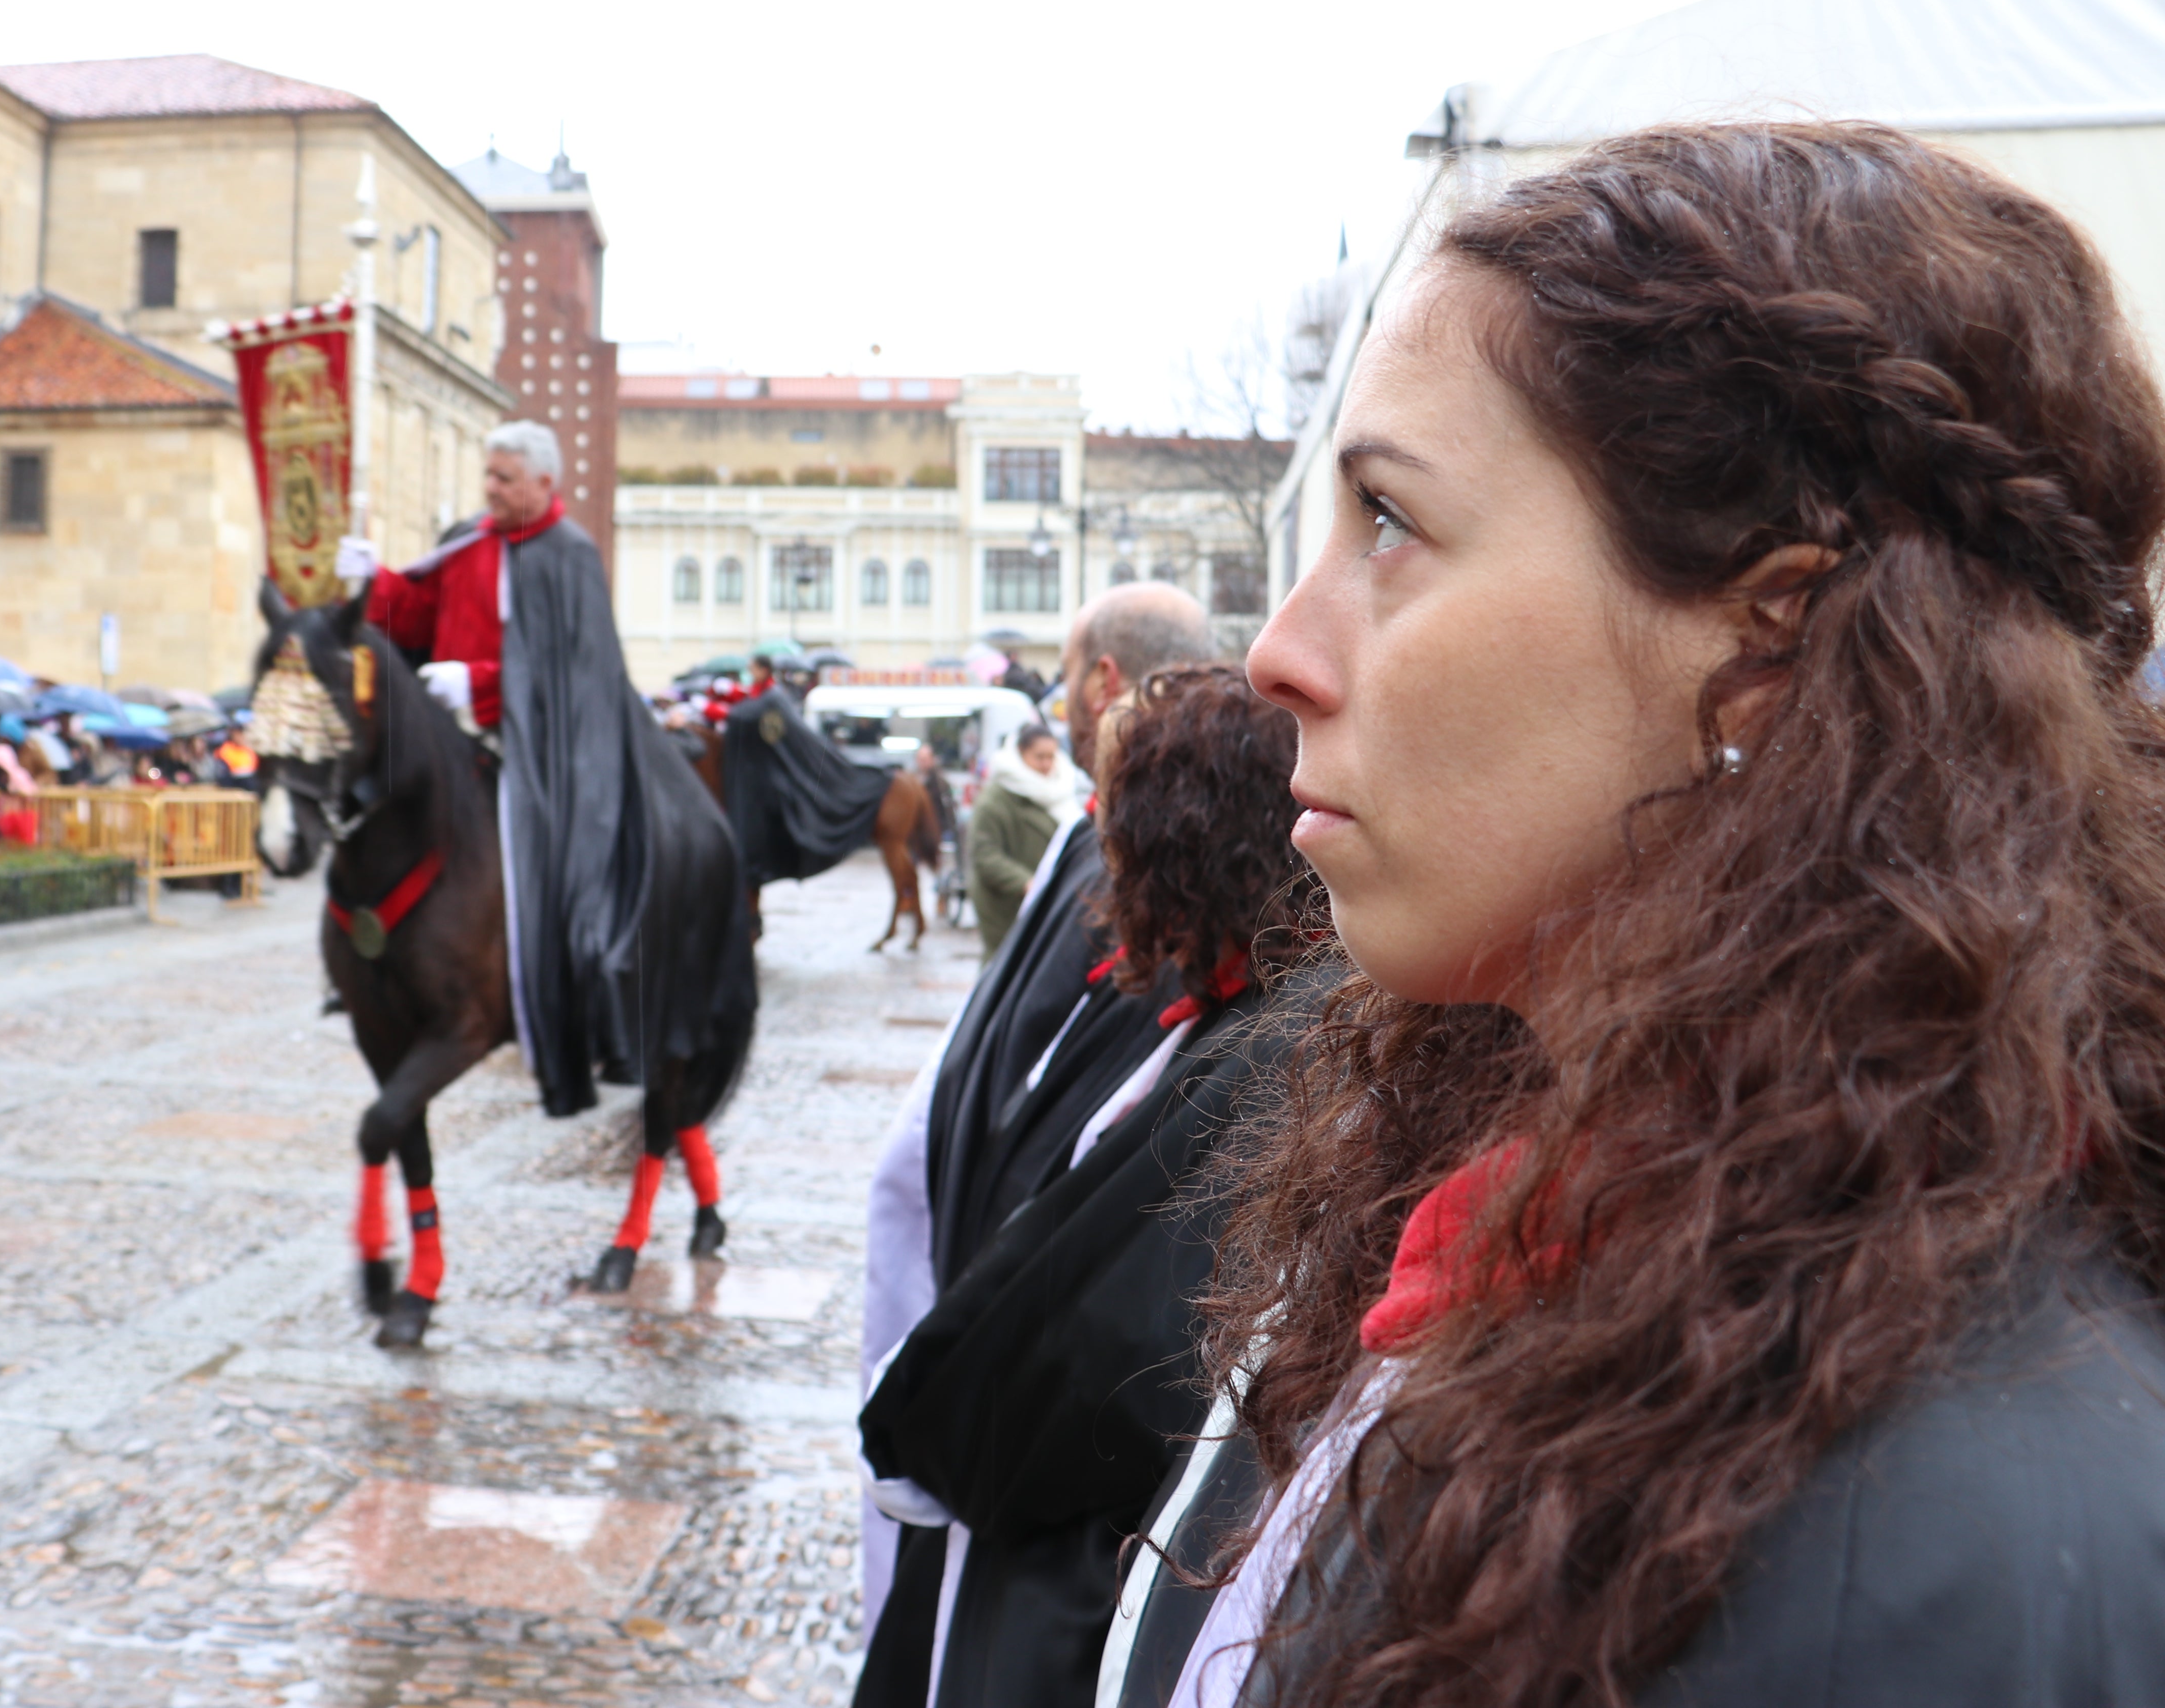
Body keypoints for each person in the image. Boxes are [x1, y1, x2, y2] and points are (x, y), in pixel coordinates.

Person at [1112, 121, 2165, 1708]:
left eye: (1389, 522)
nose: (1276, 652)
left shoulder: (1892, 1536)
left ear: (1765, 635)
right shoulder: (1595, 1232)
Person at [858, 666, 1317, 1707]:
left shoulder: (1256, 1051)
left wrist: (942, 1416)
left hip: (1084, 1564)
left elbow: (1115, 1336)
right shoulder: (1223, 1016)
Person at [856, 582, 1212, 1636]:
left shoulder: (1142, 868)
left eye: (1065, 677)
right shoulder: (1082, 838)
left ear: (1106, 681)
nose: (1058, 701)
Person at [335, 420, 740, 1125]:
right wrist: (374, 583)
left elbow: (577, 676)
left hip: (541, 755)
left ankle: (576, 990)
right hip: (449, 739)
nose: (489, 489)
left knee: (563, 867)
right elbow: (417, 613)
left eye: (503, 479)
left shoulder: (572, 556)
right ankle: (367, 966)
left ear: (545, 484)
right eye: (488, 475)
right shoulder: (472, 539)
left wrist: (482, 684)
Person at [965, 722, 1073, 953]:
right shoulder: (995, 800)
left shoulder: (1059, 792)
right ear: (1020, 755)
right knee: (1002, 970)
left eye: (1051, 757)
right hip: (1005, 906)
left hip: (1046, 901)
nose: (1047, 765)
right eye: (1039, 757)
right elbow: (985, 854)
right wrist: (1027, 883)